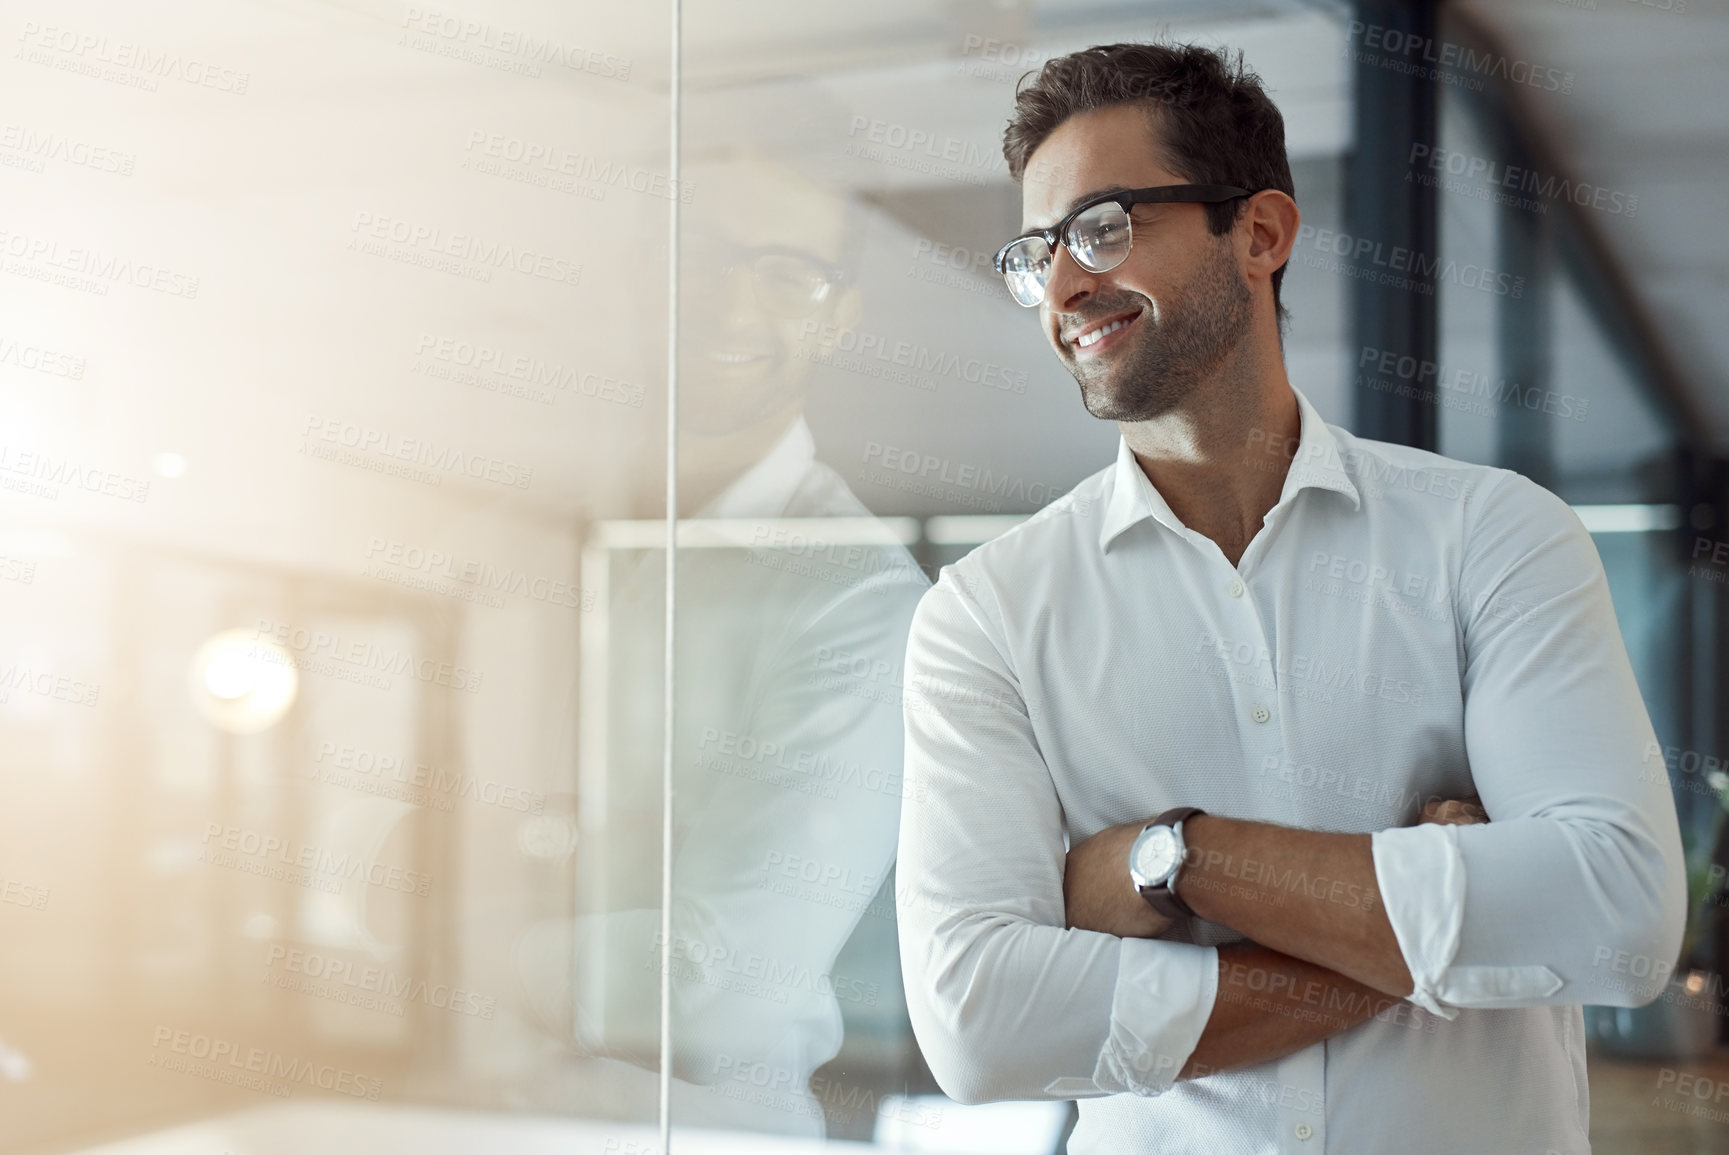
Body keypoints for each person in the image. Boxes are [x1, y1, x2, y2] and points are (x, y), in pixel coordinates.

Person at [894, 41, 1685, 1154]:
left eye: (1104, 228)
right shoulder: (986, 615)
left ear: (1259, 234)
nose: (1063, 285)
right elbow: (976, 1021)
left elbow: (1617, 916)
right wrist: (1403, 931)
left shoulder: (1492, 536)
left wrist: (1174, 861)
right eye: (1038, 253)